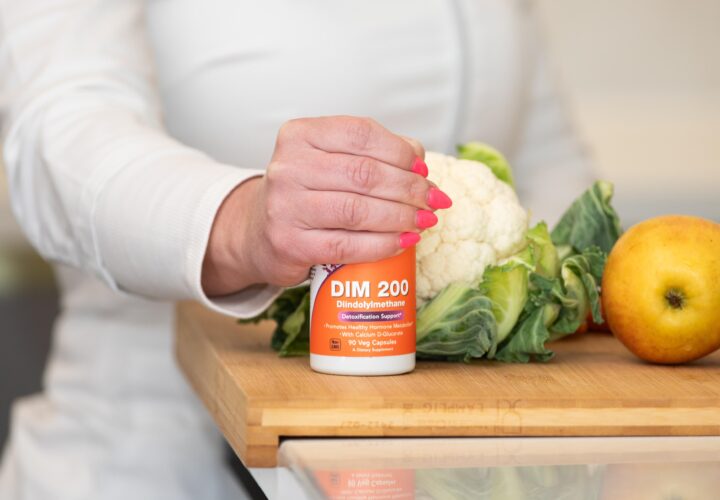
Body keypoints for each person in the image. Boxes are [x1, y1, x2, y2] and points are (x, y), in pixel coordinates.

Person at [0, 1, 592, 498]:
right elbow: (60, 129)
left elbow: (549, 155)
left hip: (448, 470)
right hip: (150, 464)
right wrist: (239, 224)